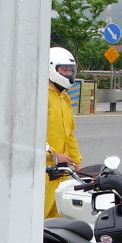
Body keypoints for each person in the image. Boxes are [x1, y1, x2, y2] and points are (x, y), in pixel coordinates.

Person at [44, 46, 83, 218]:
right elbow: (29, 135)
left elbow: (70, 135)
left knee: (59, 223)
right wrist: (54, 154)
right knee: (37, 220)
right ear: (51, 68)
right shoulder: (42, 96)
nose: (68, 74)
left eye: (70, 70)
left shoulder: (64, 98)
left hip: (63, 173)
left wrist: (78, 163)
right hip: (44, 172)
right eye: (64, 70)